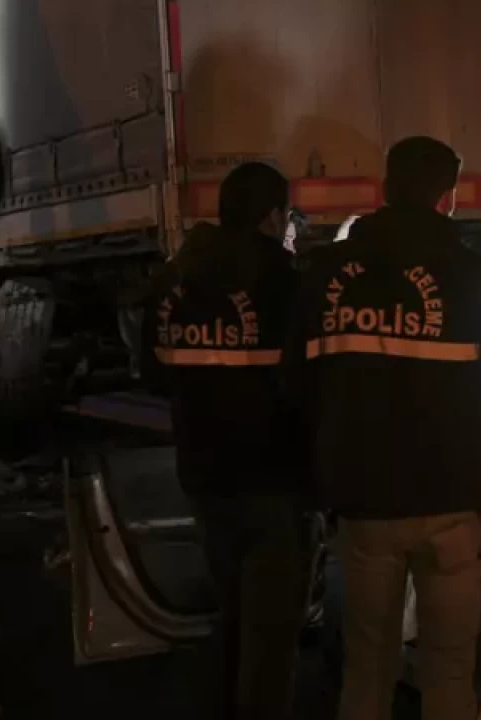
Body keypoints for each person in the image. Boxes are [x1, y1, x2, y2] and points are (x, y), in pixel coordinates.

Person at [294, 136, 481, 720]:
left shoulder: (325, 275)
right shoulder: (476, 277)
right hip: (450, 499)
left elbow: (296, 385)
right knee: (449, 670)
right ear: (447, 197)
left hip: (363, 499)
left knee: (367, 666)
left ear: (385, 188)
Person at [141, 162, 314, 720]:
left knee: (232, 614)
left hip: (203, 476)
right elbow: (310, 382)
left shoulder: (172, 280)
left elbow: (152, 374)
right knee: (271, 635)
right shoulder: (284, 282)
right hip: (272, 481)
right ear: (272, 217)